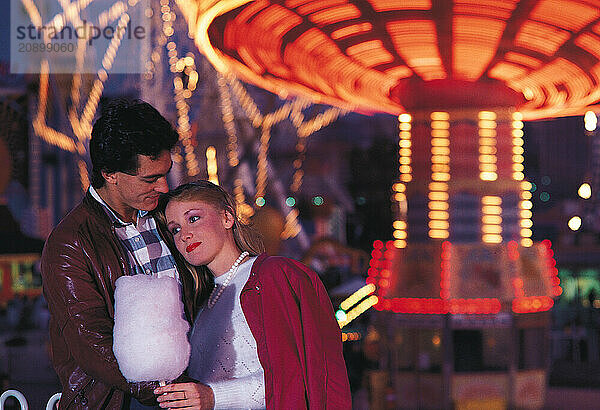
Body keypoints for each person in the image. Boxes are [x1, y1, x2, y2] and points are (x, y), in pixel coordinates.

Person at [153, 180, 352, 409]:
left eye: (194, 218)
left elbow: (298, 380)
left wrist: (212, 397)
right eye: (175, 229)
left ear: (227, 218)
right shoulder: (201, 301)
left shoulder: (272, 275)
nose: (185, 234)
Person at [41, 99, 181, 409]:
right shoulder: (70, 243)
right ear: (110, 174)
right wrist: (158, 391)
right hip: (124, 398)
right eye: (150, 179)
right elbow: (90, 339)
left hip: (192, 387)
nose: (163, 186)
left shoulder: (172, 215)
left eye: (166, 173)